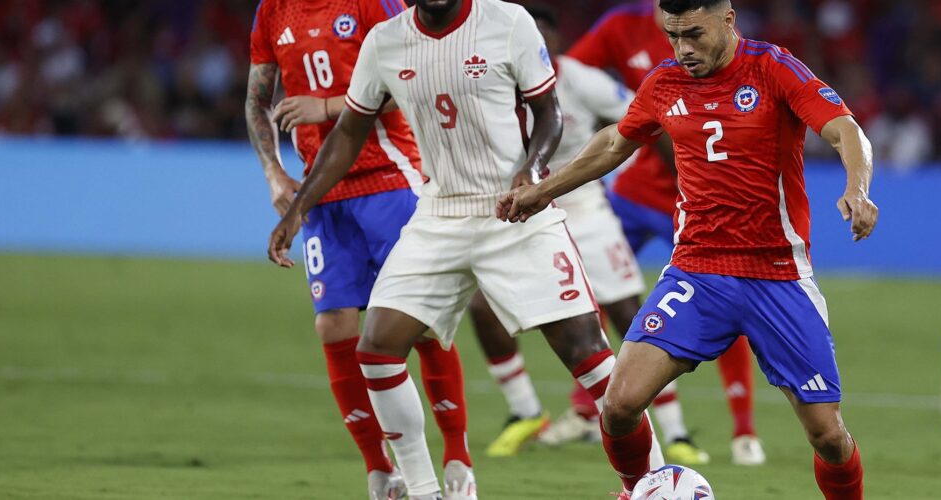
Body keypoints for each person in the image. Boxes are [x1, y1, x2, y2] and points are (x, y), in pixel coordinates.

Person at [266, 0, 663, 498]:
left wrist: (534, 169)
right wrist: (299, 207)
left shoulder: (508, 22)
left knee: (590, 355)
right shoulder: (386, 41)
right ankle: (425, 489)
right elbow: (349, 132)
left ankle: (649, 486)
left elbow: (548, 113)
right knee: (377, 349)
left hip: (515, 210)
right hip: (438, 214)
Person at [498, 0, 877, 498]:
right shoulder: (664, 81)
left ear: (728, 19)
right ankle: (638, 492)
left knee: (827, 435)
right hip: (697, 272)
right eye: (673, 34)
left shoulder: (772, 68)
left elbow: (845, 129)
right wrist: (543, 189)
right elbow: (616, 142)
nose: (682, 48)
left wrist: (858, 187)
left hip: (777, 275)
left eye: (694, 34)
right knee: (619, 404)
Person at [246, 1, 469, 498]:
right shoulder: (273, 10)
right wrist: (273, 172)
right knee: (333, 325)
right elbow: (256, 99)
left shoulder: (374, 2)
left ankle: (457, 456)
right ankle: (380, 470)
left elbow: (418, 74)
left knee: (423, 322)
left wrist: (326, 107)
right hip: (321, 190)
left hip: (391, 179)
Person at [534, 0, 762, 465]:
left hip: (700, 199)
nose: (680, 43)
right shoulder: (623, 26)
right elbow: (566, 79)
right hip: (637, 193)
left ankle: (743, 431)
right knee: (592, 289)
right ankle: (587, 410)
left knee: (730, 295)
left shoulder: (729, 42)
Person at [472, 4, 647, 459]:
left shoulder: (580, 79)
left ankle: (667, 430)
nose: (537, 47)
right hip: (516, 212)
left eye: (543, 37)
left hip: (584, 210)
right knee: (481, 306)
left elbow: (639, 116)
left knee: (623, 315)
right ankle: (525, 409)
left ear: (556, 41)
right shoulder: (490, 80)